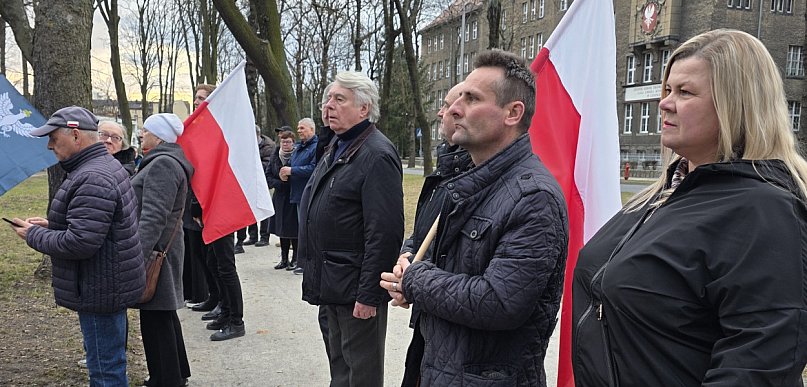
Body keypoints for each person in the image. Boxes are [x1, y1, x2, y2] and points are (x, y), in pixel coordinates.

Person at [572, 29, 807, 386]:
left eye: (684, 92)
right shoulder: (661, 195)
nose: (664, 103)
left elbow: (757, 363)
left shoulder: (765, 211)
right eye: (667, 90)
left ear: (735, 105)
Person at [380, 50, 569, 386]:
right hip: (440, 367)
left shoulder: (533, 198)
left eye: (471, 98)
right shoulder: (471, 182)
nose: (453, 108)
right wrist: (408, 263)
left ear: (513, 113)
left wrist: (416, 280)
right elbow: (444, 259)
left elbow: (499, 301)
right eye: (459, 97)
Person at [8, 106, 144, 386]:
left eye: (53, 138)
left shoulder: (93, 176)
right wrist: (52, 225)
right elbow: (99, 226)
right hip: (107, 284)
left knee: (106, 371)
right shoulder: (102, 167)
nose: (49, 146)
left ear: (75, 135)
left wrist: (33, 235)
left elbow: (80, 243)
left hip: (99, 288)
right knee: (110, 363)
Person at [299, 71, 404, 386]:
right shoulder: (338, 145)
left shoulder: (376, 154)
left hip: (355, 289)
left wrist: (370, 294)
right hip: (333, 284)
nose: (329, 105)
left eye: (339, 99)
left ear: (363, 108)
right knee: (341, 369)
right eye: (328, 99)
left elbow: (383, 232)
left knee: (361, 374)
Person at [398, 82, 473, 387]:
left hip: (456, 332)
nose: (442, 112)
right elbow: (421, 233)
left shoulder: (475, 180)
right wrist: (405, 258)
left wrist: (414, 280)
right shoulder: (446, 170)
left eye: (447, 104)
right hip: (429, 319)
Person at [132, 113, 193, 387]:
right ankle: (173, 373)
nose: (142, 135)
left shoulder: (163, 164)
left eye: (145, 131)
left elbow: (154, 215)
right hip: (160, 247)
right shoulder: (164, 161)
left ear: (158, 136)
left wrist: (138, 254)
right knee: (161, 314)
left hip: (156, 250)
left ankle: (166, 379)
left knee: (156, 315)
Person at [186, 84, 220, 319]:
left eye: (201, 98)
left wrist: (198, 204)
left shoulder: (213, 131)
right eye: (195, 98)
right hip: (192, 203)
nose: (196, 102)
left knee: (218, 261)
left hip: (207, 205)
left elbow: (207, 171)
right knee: (202, 256)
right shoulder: (196, 128)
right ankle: (213, 298)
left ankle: (226, 307)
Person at [281, 117, 318, 272]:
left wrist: (292, 171)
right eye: (298, 128)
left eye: (302, 128)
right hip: (297, 194)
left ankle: (308, 263)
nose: (299, 131)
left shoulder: (315, 148)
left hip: (308, 194)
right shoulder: (299, 148)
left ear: (311, 129)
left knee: (308, 230)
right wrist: (285, 171)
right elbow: (293, 164)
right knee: (301, 230)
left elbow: (314, 168)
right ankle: (302, 262)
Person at [235, 127, 275, 253]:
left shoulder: (268, 146)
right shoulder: (246, 144)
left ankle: (264, 236)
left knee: (263, 208)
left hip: (262, 182)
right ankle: (252, 236)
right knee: (247, 209)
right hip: (247, 181)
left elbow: (268, 163)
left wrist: (252, 165)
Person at [266, 127, 298, 270]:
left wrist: (288, 182)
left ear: (293, 143)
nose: (285, 144)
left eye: (289, 142)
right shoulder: (275, 155)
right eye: (283, 141)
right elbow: (268, 175)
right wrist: (279, 183)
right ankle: (284, 259)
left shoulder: (297, 155)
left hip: (293, 196)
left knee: (294, 229)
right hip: (279, 197)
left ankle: (295, 258)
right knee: (281, 229)